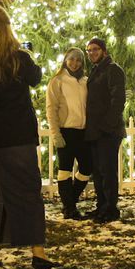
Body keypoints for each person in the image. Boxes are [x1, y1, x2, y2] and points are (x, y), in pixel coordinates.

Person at [0, 4, 56, 269]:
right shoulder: (19, 58)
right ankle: (37, 252)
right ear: (8, 28)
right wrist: (27, 52)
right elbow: (36, 78)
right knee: (28, 191)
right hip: (17, 135)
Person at [83, 37, 127, 223]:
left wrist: (107, 125)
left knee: (108, 172)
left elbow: (118, 100)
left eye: (95, 49)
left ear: (104, 51)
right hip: (94, 131)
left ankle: (110, 209)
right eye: (89, 50)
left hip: (108, 131)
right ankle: (101, 206)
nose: (92, 53)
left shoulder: (113, 70)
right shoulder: (95, 71)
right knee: (98, 172)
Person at [45, 47, 90, 219]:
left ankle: (69, 201)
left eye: (78, 60)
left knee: (86, 168)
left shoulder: (86, 81)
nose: (74, 63)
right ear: (65, 60)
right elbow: (51, 109)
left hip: (83, 132)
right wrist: (56, 134)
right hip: (65, 131)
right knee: (65, 170)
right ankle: (70, 208)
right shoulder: (57, 81)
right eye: (71, 59)